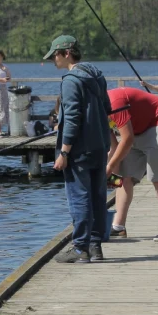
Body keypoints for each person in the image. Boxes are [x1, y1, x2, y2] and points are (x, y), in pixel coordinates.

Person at [47, 35, 111, 263]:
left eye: (55, 54)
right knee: (97, 196)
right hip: (100, 145)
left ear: (66, 53)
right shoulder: (97, 75)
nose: (53, 59)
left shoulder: (70, 81)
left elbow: (73, 119)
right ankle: (96, 247)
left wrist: (64, 152)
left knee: (79, 197)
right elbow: (107, 107)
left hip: (79, 150)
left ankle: (80, 248)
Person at [105, 87, 158, 242]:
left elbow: (127, 139)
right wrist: (111, 177)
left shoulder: (114, 103)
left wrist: (110, 167)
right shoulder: (97, 114)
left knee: (157, 177)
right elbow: (114, 147)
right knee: (125, 178)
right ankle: (118, 227)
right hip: (134, 129)